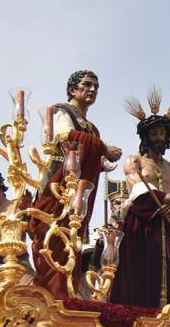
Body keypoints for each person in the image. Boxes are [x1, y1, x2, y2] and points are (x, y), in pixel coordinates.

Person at [29, 70, 122, 299]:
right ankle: (51, 295)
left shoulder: (92, 128)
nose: (92, 90)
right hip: (57, 189)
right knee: (54, 240)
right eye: (87, 85)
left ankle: (68, 292)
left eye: (96, 87)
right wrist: (101, 148)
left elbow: (84, 158)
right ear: (73, 90)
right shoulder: (62, 111)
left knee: (73, 241)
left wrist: (99, 163)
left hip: (78, 196)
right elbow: (63, 137)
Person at [112, 89, 170, 308]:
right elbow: (139, 190)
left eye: (162, 133)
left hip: (169, 227)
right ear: (145, 136)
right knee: (141, 274)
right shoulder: (134, 162)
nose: (159, 138)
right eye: (154, 134)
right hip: (143, 225)